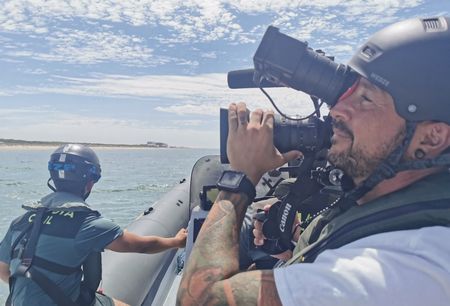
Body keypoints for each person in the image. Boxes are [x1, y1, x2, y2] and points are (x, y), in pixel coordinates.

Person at [177, 16, 450, 305]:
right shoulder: (411, 207)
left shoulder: (405, 268)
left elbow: (199, 299)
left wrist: (241, 176)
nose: (337, 111)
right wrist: (294, 247)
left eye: (366, 99)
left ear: (431, 138)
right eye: (347, 93)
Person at [0, 144, 187, 306]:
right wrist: (177, 242)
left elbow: (3, 269)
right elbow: (143, 246)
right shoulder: (89, 224)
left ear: (53, 179)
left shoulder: (22, 221)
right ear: (89, 183)